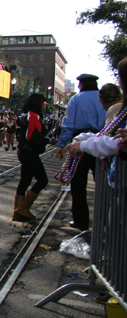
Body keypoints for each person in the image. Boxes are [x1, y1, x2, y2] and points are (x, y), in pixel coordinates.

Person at [55, 74, 107, 230]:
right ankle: (104, 221)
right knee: (103, 185)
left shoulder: (76, 99)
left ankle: (80, 221)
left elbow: (69, 125)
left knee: (78, 185)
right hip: (101, 145)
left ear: (81, 85)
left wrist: (61, 144)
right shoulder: (103, 99)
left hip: (80, 144)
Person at [12, 94, 50, 222]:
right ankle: (23, 207)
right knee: (42, 180)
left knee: (25, 180)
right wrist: (48, 141)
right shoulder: (33, 116)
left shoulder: (29, 116)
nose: (45, 104)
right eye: (43, 102)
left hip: (25, 152)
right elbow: (32, 138)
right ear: (38, 103)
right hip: (29, 152)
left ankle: (17, 212)